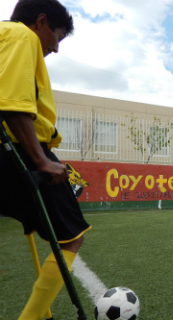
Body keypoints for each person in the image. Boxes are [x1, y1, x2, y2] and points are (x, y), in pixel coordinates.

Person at [0, 1, 91, 319]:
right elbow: (10, 103)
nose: (55, 47)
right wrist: (41, 160)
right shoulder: (21, 36)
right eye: (58, 37)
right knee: (72, 236)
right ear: (41, 22)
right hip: (16, 148)